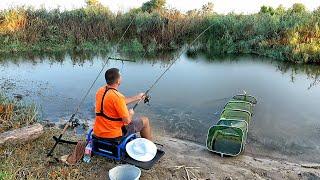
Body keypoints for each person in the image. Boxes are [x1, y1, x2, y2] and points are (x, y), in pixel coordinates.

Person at [93, 68, 152, 140]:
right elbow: (127, 121)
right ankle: (150, 147)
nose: (121, 77)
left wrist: (137, 97)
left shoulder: (100, 90)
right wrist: (130, 113)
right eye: (120, 76)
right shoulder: (118, 97)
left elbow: (117, 102)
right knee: (145, 120)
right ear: (118, 81)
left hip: (98, 131)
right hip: (114, 134)